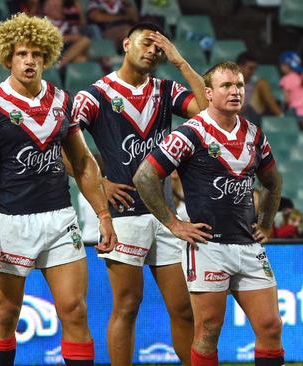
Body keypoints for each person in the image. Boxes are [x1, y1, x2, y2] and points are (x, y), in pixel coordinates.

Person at [0, 13, 117, 366]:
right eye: (21, 54)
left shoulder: (64, 101)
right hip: (11, 222)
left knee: (75, 311)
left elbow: (82, 164)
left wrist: (104, 214)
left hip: (60, 219)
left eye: (36, 54)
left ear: (47, 56)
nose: (29, 60)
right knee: (6, 315)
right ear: (7, 58)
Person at [71, 21, 208, 365]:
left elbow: (209, 111)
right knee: (127, 306)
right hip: (123, 215)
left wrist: (179, 61)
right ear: (125, 44)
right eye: (147, 43)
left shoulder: (166, 90)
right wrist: (98, 180)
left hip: (165, 215)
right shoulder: (95, 95)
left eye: (159, 48)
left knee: (183, 309)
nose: (153, 51)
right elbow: (61, 141)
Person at [133, 61, 284, 366]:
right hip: (207, 247)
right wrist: (173, 224)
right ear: (208, 93)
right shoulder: (191, 132)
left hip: (248, 245)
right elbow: (145, 176)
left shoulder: (254, 134)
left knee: (271, 326)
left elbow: (272, 181)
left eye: (239, 85)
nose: (234, 91)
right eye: (226, 86)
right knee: (208, 331)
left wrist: (266, 223)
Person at [42, 0, 91, 68]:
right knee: (81, 59)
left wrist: (68, 38)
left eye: (60, 6)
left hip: (66, 51)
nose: (58, 9)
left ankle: (59, 65)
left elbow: (78, 37)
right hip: (50, 52)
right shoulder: (42, 23)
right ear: (45, 9)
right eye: (54, 7)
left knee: (83, 51)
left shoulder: (68, 24)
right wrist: (66, 38)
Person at [236, 52, 283, 123]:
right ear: (240, 67)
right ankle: (282, 117)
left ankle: (281, 117)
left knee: (262, 84)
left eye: (254, 69)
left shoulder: (254, 84)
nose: (253, 72)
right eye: (250, 68)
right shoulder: (229, 84)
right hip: (237, 116)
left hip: (254, 116)